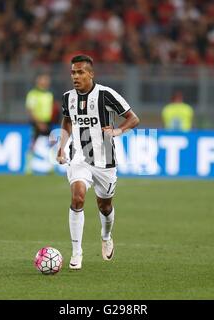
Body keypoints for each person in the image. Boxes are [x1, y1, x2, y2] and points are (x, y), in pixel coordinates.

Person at [56, 55, 140, 270]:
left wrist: (117, 131)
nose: (76, 76)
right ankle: (77, 253)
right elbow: (67, 120)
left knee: (105, 206)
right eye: (73, 72)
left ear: (91, 74)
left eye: (80, 72)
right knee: (78, 198)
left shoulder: (106, 94)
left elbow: (133, 118)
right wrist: (61, 146)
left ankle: (106, 235)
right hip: (79, 157)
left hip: (105, 161)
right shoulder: (68, 97)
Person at [25, 73, 55, 173]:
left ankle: (50, 166)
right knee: (33, 143)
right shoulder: (33, 94)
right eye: (44, 80)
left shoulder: (49, 94)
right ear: (38, 81)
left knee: (51, 143)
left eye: (47, 80)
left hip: (48, 121)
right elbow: (30, 110)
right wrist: (38, 123)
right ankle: (28, 166)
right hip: (37, 122)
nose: (46, 82)